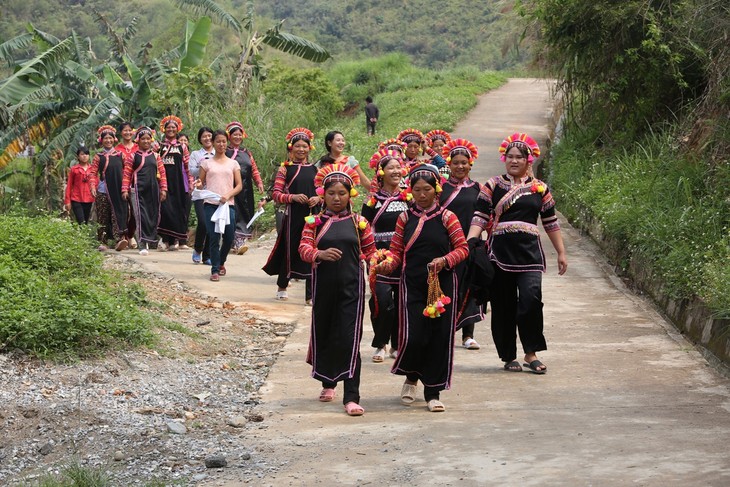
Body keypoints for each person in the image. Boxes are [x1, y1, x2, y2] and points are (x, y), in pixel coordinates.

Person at [466, 133, 568, 374]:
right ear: (505, 159)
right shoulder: (493, 185)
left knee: (531, 300)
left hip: (530, 254)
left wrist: (561, 252)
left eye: (519, 157)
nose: (513, 161)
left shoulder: (539, 188)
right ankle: (508, 355)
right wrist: (471, 241)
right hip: (500, 253)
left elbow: (551, 222)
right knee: (503, 305)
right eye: (509, 157)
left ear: (527, 160)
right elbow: (480, 216)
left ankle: (530, 353)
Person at [375, 164, 468, 413]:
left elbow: (463, 248)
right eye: (417, 190)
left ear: (436, 190)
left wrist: (445, 261)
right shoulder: (404, 218)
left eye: (427, 189)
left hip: (442, 286)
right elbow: (396, 253)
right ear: (410, 191)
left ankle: (433, 392)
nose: (422, 194)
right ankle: (411, 377)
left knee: (438, 337)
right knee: (415, 336)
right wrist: (385, 266)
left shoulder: (448, 217)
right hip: (413, 285)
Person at [298, 163, 376, 416]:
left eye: (342, 193)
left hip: (351, 291)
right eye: (331, 193)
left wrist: (381, 267)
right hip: (323, 290)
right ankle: (328, 381)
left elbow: (371, 253)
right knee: (326, 333)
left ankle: (351, 396)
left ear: (350, 195)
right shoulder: (314, 222)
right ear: (323, 194)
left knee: (350, 339)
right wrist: (319, 253)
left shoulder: (359, 223)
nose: (336, 198)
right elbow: (303, 249)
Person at [361, 149, 409, 362]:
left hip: (403, 255)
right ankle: (380, 343)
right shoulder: (372, 200)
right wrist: (368, 255)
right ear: (381, 172)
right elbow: (363, 228)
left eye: (399, 167)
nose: (397, 171)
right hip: (378, 255)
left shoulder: (409, 196)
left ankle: (397, 344)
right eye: (391, 168)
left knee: (400, 301)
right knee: (381, 301)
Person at [263, 128, 319, 302]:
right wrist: (292, 197)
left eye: (304, 146)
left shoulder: (315, 169)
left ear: (310, 148)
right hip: (294, 216)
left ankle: (310, 295)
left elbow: (324, 191)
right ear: (290, 148)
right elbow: (276, 194)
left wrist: (318, 198)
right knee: (290, 249)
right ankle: (282, 286)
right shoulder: (285, 169)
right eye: (297, 146)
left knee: (312, 248)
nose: (301, 149)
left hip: (312, 215)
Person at [439, 138, 484, 350]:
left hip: (471, 245)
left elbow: (487, 215)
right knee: (447, 287)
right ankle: (444, 332)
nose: (460, 166)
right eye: (455, 162)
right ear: (449, 164)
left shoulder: (479, 189)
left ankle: (468, 335)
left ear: (470, 164)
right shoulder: (440, 189)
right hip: (446, 246)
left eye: (464, 162)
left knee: (470, 287)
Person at [195, 130, 243, 281]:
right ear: (213, 143)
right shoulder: (206, 163)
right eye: (218, 142)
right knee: (214, 236)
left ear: (226, 143)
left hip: (228, 205)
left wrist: (228, 195)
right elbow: (200, 183)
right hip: (211, 204)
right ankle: (215, 270)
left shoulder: (233, 163)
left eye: (223, 141)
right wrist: (197, 184)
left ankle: (221, 262)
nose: (221, 144)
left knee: (229, 237)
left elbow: (239, 185)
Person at [121, 126, 168, 255]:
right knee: (139, 217)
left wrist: (163, 189)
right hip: (136, 191)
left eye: (148, 139)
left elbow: (162, 174)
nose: (146, 141)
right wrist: (124, 189)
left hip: (153, 190)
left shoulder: (156, 156)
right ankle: (141, 244)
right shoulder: (132, 156)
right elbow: (126, 174)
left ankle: (150, 240)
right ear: (138, 140)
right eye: (143, 139)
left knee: (152, 215)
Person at [225, 121, 264, 255]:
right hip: (229, 188)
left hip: (245, 189)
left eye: (239, 134)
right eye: (234, 134)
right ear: (229, 136)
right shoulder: (225, 151)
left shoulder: (247, 152)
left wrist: (258, 182)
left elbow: (253, 169)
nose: (237, 137)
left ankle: (239, 240)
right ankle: (232, 242)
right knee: (231, 213)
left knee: (244, 212)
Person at [89, 125, 130, 252]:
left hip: (118, 191)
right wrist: (92, 186)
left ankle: (119, 240)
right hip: (102, 191)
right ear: (101, 140)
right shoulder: (98, 156)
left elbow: (127, 172)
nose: (108, 140)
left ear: (114, 139)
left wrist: (125, 188)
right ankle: (103, 242)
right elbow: (92, 173)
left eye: (110, 138)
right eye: (105, 138)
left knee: (117, 214)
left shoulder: (120, 155)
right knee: (103, 216)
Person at [157, 115, 193, 251]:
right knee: (165, 211)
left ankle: (174, 241)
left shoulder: (182, 147)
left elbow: (187, 166)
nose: (171, 130)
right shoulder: (159, 146)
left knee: (177, 210)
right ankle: (165, 240)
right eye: (168, 127)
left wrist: (190, 183)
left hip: (178, 183)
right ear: (164, 130)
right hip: (163, 183)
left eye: (173, 127)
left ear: (177, 129)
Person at [189, 127, 215, 265]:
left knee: (212, 224)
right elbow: (192, 171)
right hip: (200, 193)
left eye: (209, 135)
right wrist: (205, 165)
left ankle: (207, 255)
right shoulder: (195, 154)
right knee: (203, 222)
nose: (207, 138)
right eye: (204, 136)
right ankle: (198, 249)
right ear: (200, 139)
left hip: (215, 193)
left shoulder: (219, 153)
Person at [115, 121, 138, 249]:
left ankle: (131, 235)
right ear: (120, 133)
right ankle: (122, 237)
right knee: (123, 210)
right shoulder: (117, 149)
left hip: (136, 182)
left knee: (135, 211)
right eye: (125, 130)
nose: (128, 132)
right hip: (121, 182)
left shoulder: (138, 147)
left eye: (130, 130)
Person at [64, 147, 94, 225]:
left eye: (87, 154)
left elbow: (95, 183)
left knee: (86, 222)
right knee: (81, 222)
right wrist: (67, 201)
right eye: (82, 154)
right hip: (76, 199)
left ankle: (83, 236)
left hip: (89, 199)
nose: (85, 156)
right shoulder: (74, 169)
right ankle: (82, 236)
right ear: (78, 156)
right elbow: (69, 185)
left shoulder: (93, 169)